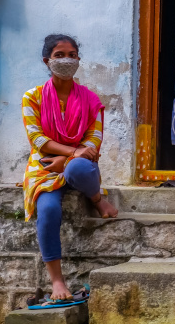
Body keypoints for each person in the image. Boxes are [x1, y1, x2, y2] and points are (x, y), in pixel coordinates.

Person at [22, 34, 118, 302]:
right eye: (59, 55)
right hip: (44, 165)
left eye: (72, 55)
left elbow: (94, 141)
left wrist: (70, 159)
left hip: (78, 166)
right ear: (47, 61)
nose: (67, 60)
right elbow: (37, 140)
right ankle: (57, 281)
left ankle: (97, 199)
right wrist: (72, 152)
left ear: (78, 60)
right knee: (49, 209)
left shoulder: (90, 99)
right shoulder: (33, 97)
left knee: (77, 169)